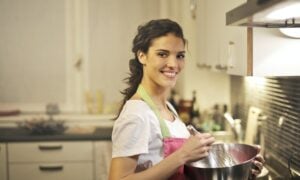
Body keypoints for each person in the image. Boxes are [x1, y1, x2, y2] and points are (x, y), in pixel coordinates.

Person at [109, 19, 264, 180]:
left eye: (180, 56)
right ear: (142, 56)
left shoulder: (167, 107)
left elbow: (180, 169)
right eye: (162, 54)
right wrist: (182, 155)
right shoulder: (137, 114)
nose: (173, 64)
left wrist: (241, 168)